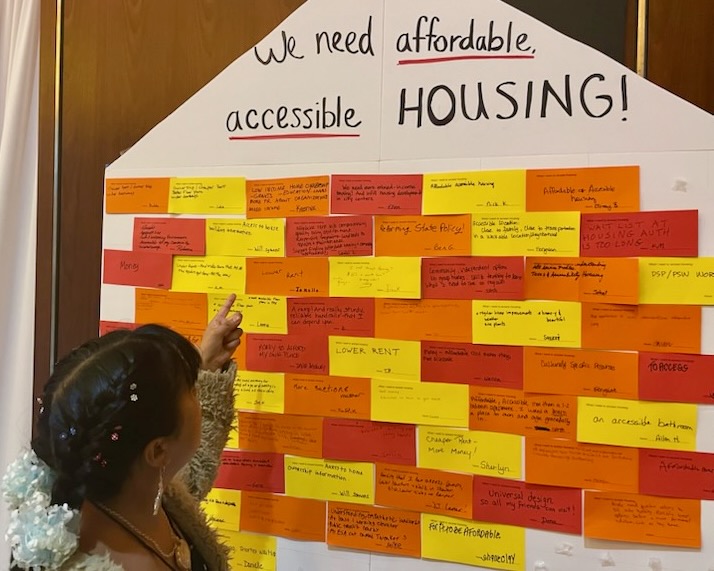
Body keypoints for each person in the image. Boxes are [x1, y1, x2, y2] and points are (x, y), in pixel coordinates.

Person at [2, 295, 244, 570]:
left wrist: (207, 367)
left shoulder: (136, 489)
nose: (198, 392)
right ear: (158, 450)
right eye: (191, 389)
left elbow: (190, 475)